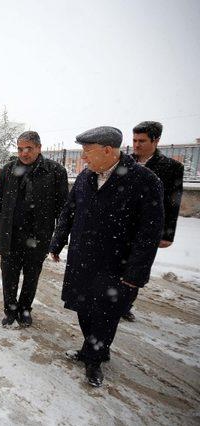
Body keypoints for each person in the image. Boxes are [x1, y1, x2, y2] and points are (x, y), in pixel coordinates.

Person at [49, 126, 164, 387]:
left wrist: (135, 274)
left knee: (105, 314)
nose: (83, 158)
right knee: (82, 309)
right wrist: (57, 242)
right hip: (82, 259)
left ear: (108, 150)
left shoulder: (144, 180)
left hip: (115, 264)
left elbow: (149, 233)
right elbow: (69, 212)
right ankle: (93, 347)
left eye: (87, 152)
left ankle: (94, 359)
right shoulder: (85, 178)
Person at [0, 131, 68, 327]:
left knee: (31, 276)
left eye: (28, 149)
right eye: (20, 149)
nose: (24, 153)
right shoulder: (8, 170)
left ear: (39, 148)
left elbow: (63, 209)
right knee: (9, 275)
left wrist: (58, 239)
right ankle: (10, 310)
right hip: (10, 234)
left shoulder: (55, 172)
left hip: (38, 235)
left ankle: (25, 310)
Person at [122, 121, 184, 322]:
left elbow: (172, 203)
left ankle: (125, 305)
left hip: (148, 228)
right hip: (120, 225)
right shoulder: (124, 163)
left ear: (156, 141)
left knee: (137, 266)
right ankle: (111, 300)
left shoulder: (171, 168)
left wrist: (167, 234)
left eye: (142, 141)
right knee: (116, 264)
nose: (136, 145)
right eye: (134, 140)